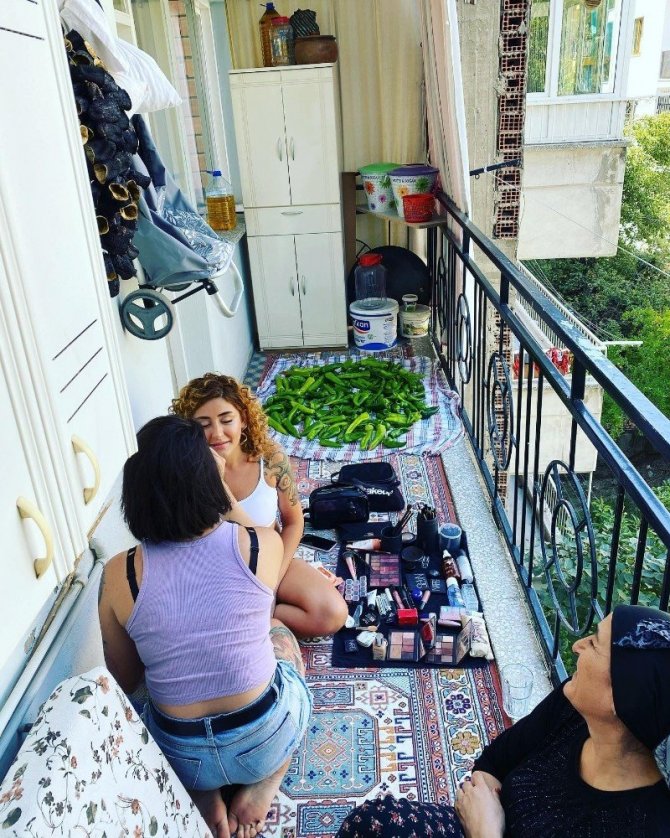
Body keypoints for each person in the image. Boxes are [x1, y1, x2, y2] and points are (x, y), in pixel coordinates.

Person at [98, 416, 313, 838]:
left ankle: (200, 793)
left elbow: (127, 679)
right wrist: (223, 492)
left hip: (181, 753)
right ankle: (267, 781)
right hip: (264, 739)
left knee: (151, 700)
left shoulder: (118, 574)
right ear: (209, 481)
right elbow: (254, 556)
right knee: (280, 636)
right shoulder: (259, 546)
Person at [336, 604, 670, 837]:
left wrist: (486, 829)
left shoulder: (641, 826)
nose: (577, 646)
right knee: (373, 822)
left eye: (594, 644)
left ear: (623, 697)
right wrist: (481, 812)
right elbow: (494, 761)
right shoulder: (573, 706)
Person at [170, 372, 348, 638]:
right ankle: (259, 620)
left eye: (226, 420)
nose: (217, 433)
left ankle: (268, 617)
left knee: (332, 613)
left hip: (271, 561)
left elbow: (294, 521)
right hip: (219, 572)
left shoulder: (270, 457)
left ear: (243, 419)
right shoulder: (184, 472)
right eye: (203, 424)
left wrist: (272, 580)